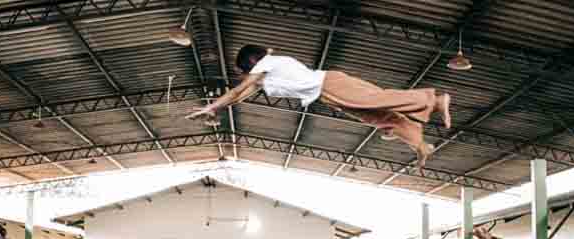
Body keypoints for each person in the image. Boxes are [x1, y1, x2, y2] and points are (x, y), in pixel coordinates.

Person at [188, 45, 451, 167]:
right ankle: (420, 144)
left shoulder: (264, 66)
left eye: (244, 71)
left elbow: (236, 90)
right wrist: (216, 108)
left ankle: (435, 100)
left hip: (330, 83)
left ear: (250, 65)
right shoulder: (266, 76)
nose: (245, 76)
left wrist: (211, 106)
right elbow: (238, 96)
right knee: (378, 118)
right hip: (326, 94)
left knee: (379, 99)